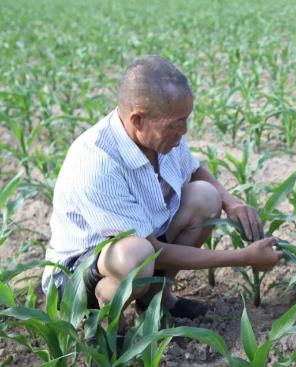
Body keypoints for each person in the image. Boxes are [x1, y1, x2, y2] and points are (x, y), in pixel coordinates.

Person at [42, 55, 283, 319]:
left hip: (141, 250)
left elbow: (194, 170)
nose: (185, 130)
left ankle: (158, 302)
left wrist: (231, 203)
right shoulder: (96, 161)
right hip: (76, 277)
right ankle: (102, 327)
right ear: (138, 120)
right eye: (177, 123)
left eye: (186, 119)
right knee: (135, 253)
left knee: (206, 196)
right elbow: (154, 252)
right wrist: (244, 257)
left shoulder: (161, 138)